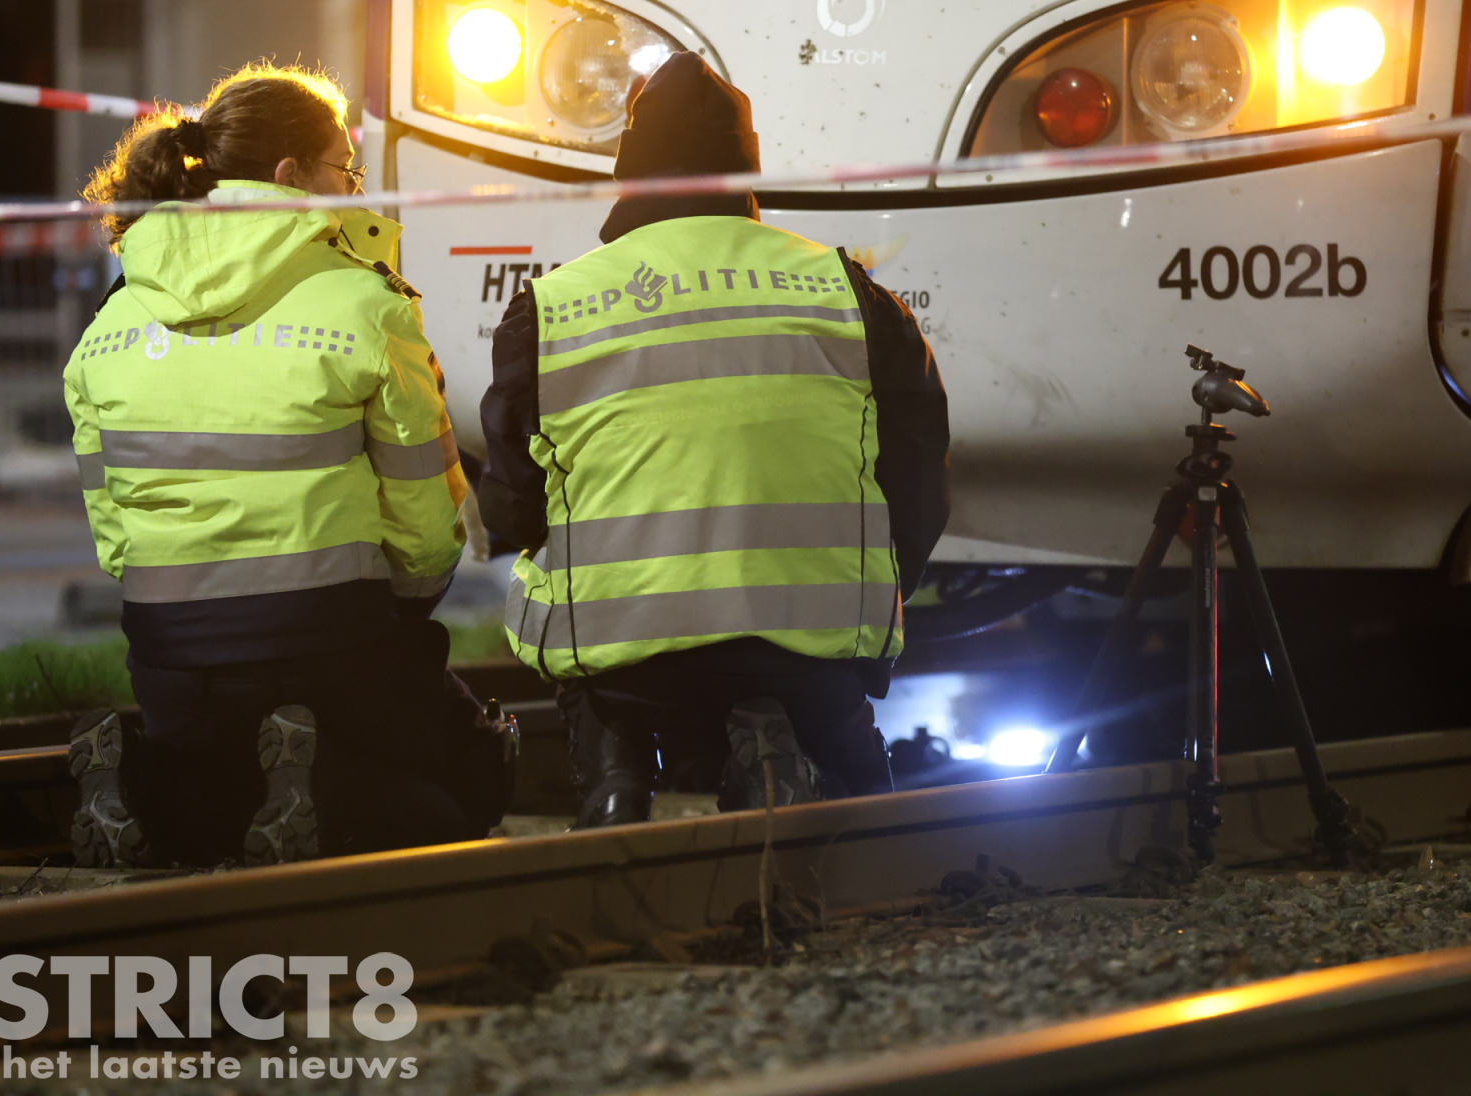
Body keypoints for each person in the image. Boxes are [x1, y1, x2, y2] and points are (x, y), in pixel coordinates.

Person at [477, 52, 949, 826]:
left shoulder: (551, 307)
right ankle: (811, 756)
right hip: (814, 653)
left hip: (626, 658)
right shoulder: (851, 292)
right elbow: (920, 481)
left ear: (630, 170)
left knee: (562, 610)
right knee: (867, 812)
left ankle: (617, 775)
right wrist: (874, 590)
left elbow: (510, 509)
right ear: (746, 172)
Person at [65, 64, 516, 868]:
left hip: (171, 655)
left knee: (217, 796)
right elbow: (425, 528)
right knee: (463, 792)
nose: (353, 190)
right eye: (346, 169)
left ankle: (138, 786)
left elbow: (114, 540)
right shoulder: (367, 306)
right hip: (329, 638)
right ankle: (320, 779)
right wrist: (401, 610)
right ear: (291, 174)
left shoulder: (108, 325)